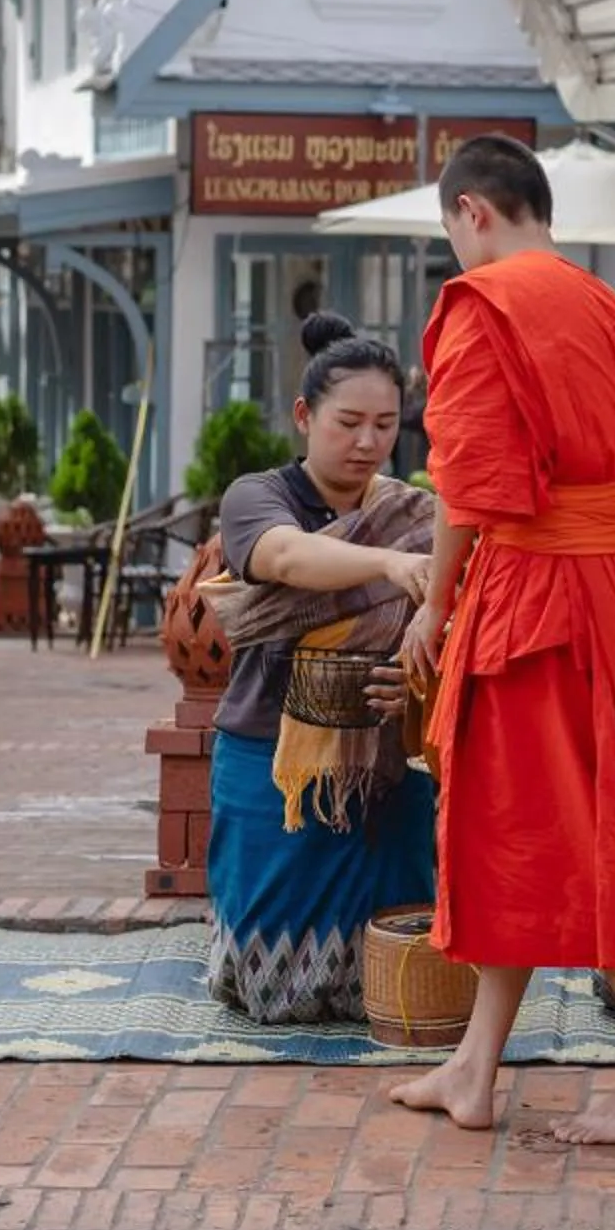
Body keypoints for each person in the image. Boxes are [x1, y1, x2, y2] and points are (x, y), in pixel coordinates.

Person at [390, 135, 615, 1145]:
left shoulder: (484, 306)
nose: (457, 254)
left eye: (450, 232)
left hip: (524, 598)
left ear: (472, 210)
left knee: (567, 827)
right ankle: (474, 1066)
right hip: (599, 586)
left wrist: (433, 606)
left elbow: (468, 494)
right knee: (514, 825)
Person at [199, 313, 440, 1025]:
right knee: (273, 978)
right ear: (304, 416)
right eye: (349, 422)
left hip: (385, 757)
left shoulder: (417, 513)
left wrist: (418, 683)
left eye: (386, 424)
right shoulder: (258, 497)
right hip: (272, 753)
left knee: (399, 950)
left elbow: (451, 626)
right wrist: (392, 566)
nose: (368, 441)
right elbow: (284, 559)